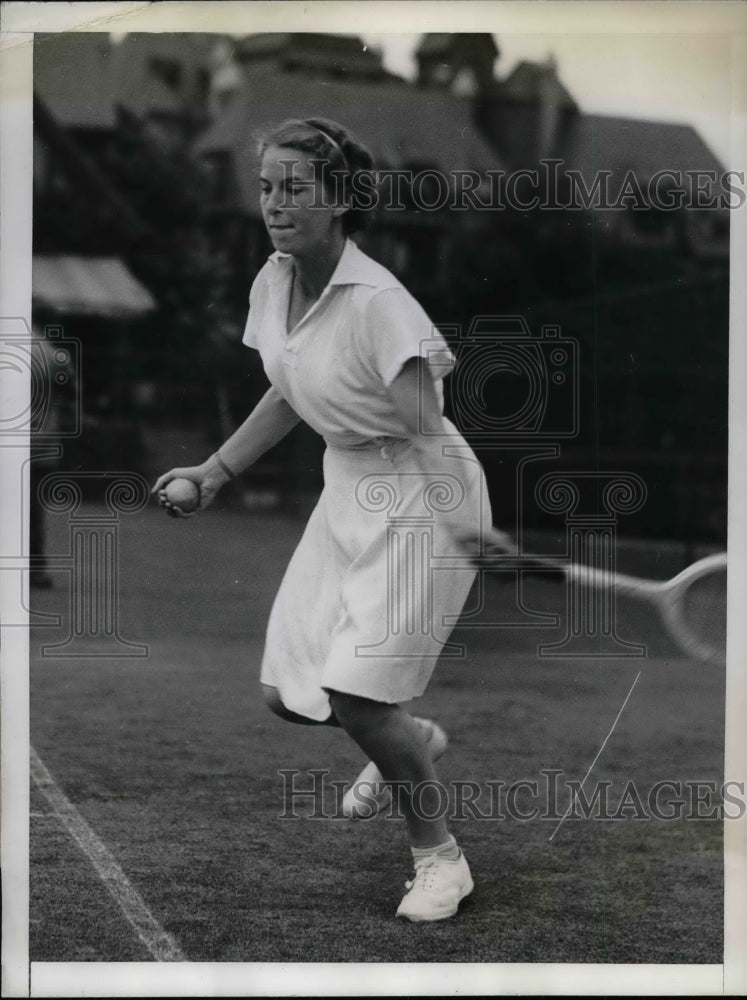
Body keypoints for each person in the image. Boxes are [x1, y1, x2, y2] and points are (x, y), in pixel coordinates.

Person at [153, 117, 498, 922]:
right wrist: (215, 470)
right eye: (267, 188)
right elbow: (290, 386)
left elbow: (424, 424)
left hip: (421, 494)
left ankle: (439, 859)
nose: (274, 204)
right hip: (346, 486)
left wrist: (458, 516)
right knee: (287, 692)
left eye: (295, 189)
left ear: (341, 199)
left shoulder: (380, 301)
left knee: (355, 695)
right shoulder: (273, 281)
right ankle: (406, 737)